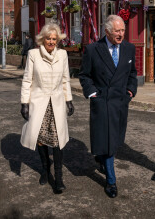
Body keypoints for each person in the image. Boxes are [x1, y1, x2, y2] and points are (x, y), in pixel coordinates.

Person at [79, 15, 137, 199]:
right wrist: (92, 93)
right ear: (106, 32)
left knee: (114, 139)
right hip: (102, 101)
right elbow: (85, 76)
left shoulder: (129, 48)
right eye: (116, 31)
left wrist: (130, 90)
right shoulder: (93, 49)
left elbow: (133, 73)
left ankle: (102, 158)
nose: (121, 35)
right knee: (109, 143)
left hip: (120, 102)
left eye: (122, 30)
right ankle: (111, 181)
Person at [20, 23, 74, 192]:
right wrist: (24, 103)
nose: (51, 41)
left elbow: (65, 79)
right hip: (39, 102)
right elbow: (27, 80)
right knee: (41, 139)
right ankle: (45, 169)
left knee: (58, 141)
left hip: (56, 103)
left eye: (54, 39)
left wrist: (69, 100)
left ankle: (58, 178)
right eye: (48, 38)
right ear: (42, 39)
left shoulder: (63, 55)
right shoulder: (33, 54)